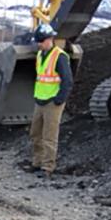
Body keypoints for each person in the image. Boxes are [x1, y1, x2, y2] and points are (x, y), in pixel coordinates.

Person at [29, 23, 73, 176]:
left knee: (49, 136)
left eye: (41, 41)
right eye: (38, 41)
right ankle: (37, 161)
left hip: (52, 102)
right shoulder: (41, 55)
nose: (39, 44)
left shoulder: (59, 56)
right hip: (40, 99)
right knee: (35, 133)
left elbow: (67, 81)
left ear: (50, 39)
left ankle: (48, 167)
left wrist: (59, 99)